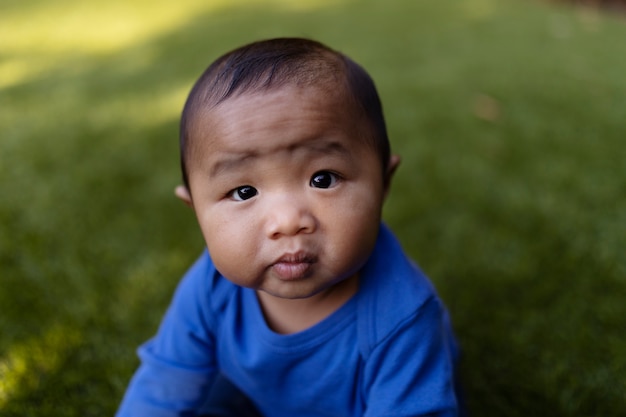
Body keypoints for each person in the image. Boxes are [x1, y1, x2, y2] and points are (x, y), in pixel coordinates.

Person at [116, 37, 462, 417]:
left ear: (384, 183)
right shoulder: (210, 289)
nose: (287, 221)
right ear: (195, 209)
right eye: (244, 191)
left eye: (323, 179)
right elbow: (164, 383)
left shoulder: (402, 318)